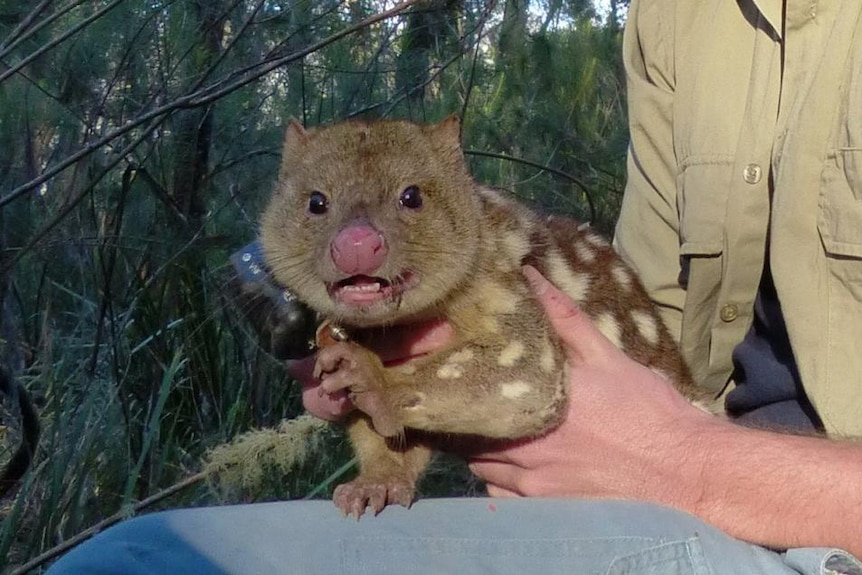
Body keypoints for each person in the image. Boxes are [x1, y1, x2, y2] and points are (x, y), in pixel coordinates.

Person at [47, 0, 862, 573]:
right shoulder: (685, 18)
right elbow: (647, 319)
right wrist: (382, 413)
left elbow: (551, 392)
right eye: (324, 210)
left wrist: (685, 462)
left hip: (793, 525)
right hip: (680, 510)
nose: (358, 239)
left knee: (137, 563)